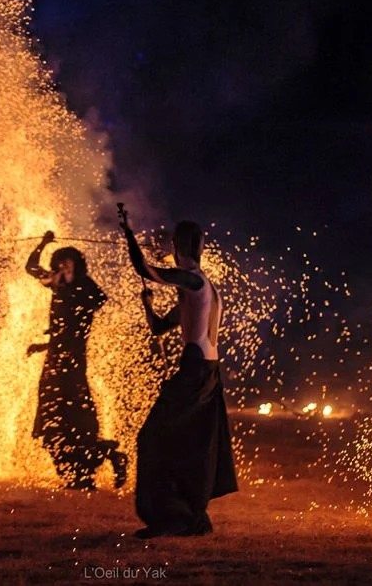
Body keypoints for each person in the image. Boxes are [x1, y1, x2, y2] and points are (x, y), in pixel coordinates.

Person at [120, 218, 237, 538]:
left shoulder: (192, 280)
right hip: (207, 372)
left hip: (195, 370)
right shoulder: (202, 288)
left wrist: (128, 234)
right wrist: (148, 307)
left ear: (178, 247)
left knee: (152, 438)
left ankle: (170, 516)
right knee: (188, 445)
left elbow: (146, 270)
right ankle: (190, 517)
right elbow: (160, 327)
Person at [25, 231, 127, 490]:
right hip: (56, 359)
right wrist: (43, 244)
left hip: (71, 363)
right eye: (58, 263)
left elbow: (85, 317)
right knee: (53, 421)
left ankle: (95, 464)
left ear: (76, 265)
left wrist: (75, 293)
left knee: (71, 419)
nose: (60, 267)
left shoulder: (85, 288)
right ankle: (81, 475)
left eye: (66, 263)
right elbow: (30, 267)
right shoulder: (58, 284)